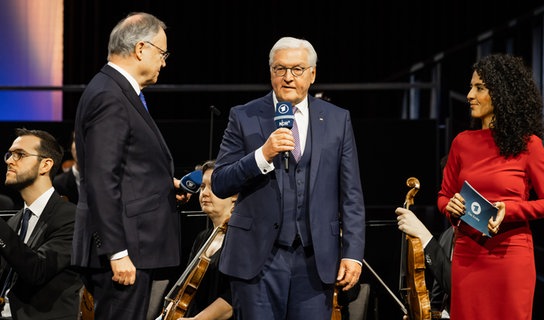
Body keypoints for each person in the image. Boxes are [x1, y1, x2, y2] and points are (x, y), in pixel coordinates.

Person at [211, 36, 366, 319]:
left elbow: (351, 193)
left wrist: (352, 253)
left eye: (297, 69)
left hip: (314, 260)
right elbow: (220, 182)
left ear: (312, 74)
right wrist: (262, 155)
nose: (288, 77)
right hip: (256, 261)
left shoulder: (337, 119)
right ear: (271, 72)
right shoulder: (244, 116)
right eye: (280, 69)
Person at [72, 12, 189, 320]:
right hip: (126, 251)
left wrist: (164, 187)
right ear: (141, 49)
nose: (164, 62)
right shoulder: (109, 95)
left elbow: (125, 170)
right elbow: (100, 178)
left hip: (137, 247)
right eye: (162, 53)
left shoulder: (115, 91)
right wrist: (117, 251)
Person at [437, 53, 544, 319]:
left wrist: (510, 210)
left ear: (502, 93)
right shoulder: (462, 143)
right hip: (467, 257)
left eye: (479, 87)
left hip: (511, 257)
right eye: (471, 86)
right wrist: (451, 206)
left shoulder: (529, 145)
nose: (470, 94)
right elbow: (443, 196)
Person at [1, 128, 83, 319]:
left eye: (19, 155)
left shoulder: (72, 218)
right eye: (10, 154)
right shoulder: (15, 221)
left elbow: (36, 270)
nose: (9, 161)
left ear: (45, 165)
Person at [172, 160, 235, 320]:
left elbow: (233, 297)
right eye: (202, 187)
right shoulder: (202, 238)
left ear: (234, 196)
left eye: (212, 187)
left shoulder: (239, 239)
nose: (204, 193)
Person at [395, 207, 452, 319]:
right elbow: (437, 303)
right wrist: (420, 313)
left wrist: (424, 236)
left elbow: (458, 288)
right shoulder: (448, 235)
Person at [53, 131, 79, 204]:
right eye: (76, 140)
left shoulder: (108, 182)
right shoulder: (56, 184)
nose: (80, 145)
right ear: (71, 147)